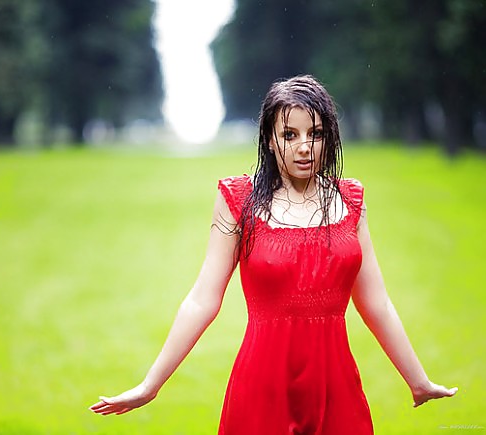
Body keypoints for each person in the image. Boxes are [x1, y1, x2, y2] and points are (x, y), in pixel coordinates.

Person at [89, 75, 457, 434]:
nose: (304, 147)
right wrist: (150, 385)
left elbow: (376, 303)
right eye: (289, 135)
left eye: (315, 134)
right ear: (268, 140)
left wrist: (418, 380)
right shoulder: (238, 200)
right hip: (261, 388)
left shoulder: (350, 201)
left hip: (337, 386)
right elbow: (203, 299)